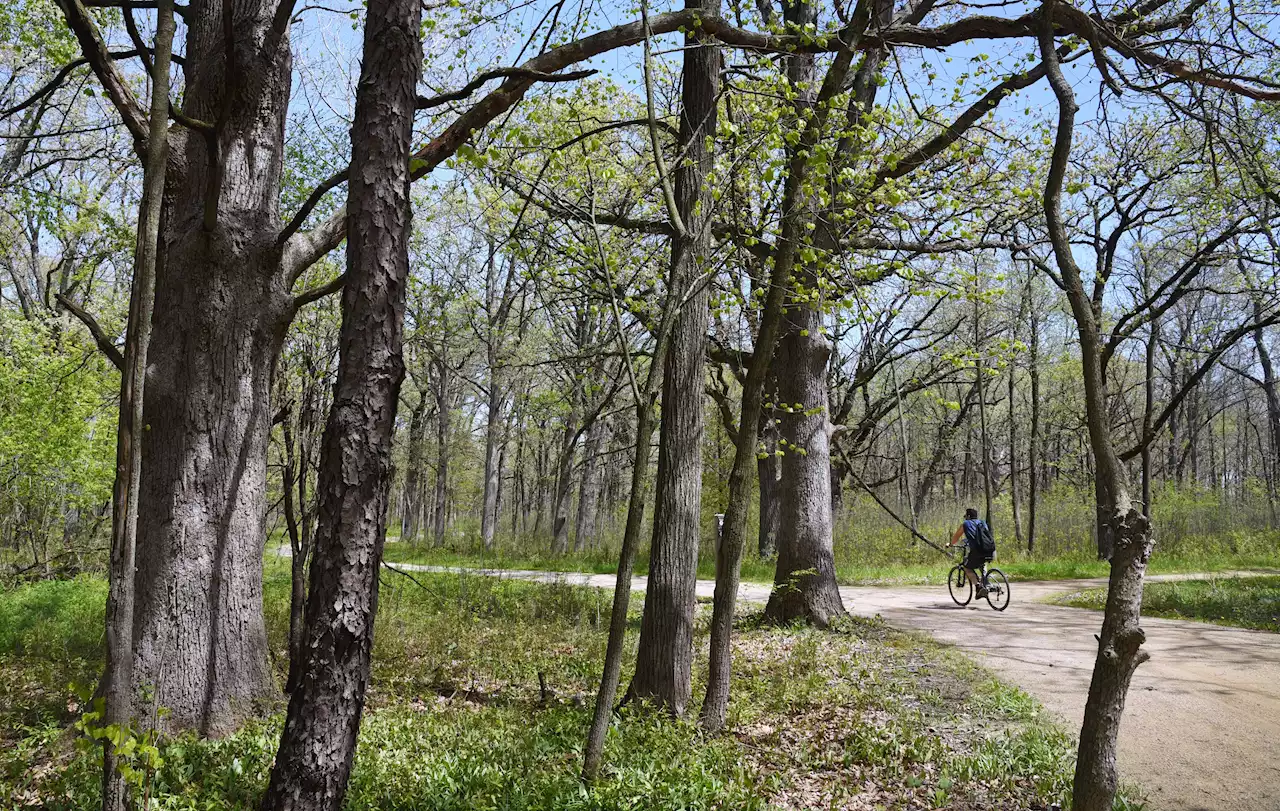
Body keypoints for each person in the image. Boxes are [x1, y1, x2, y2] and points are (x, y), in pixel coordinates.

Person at [948, 507, 994, 597]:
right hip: (989, 549)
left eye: (966, 517)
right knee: (982, 563)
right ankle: (985, 582)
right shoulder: (982, 523)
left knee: (967, 568)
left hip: (977, 551)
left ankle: (978, 587)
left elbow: (956, 536)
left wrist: (950, 544)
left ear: (968, 516)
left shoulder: (965, 524)